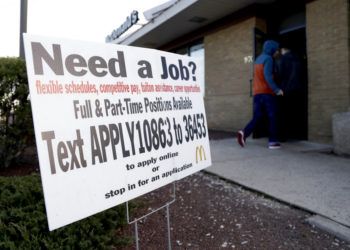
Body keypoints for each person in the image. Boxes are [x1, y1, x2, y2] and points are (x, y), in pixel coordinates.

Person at [237, 40, 283, 149]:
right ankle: (273, 142)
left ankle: (244, 133)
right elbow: (268, 76)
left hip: (257, 93)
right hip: (267, 93)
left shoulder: (258, 59)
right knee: (273, 116)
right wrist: (277, 90)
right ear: (272, 49)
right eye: (276, 50)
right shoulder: (269, 59)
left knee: (257, 116)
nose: (277, 52)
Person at [276, 45, 305, 141]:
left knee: (283, 113)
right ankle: (297, 134)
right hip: (298, 89)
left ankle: (283, 136)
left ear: (283, 50)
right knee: (295, 112)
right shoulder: (298, 59)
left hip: (285, 89)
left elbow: (279, 74)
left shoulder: (282, 59)